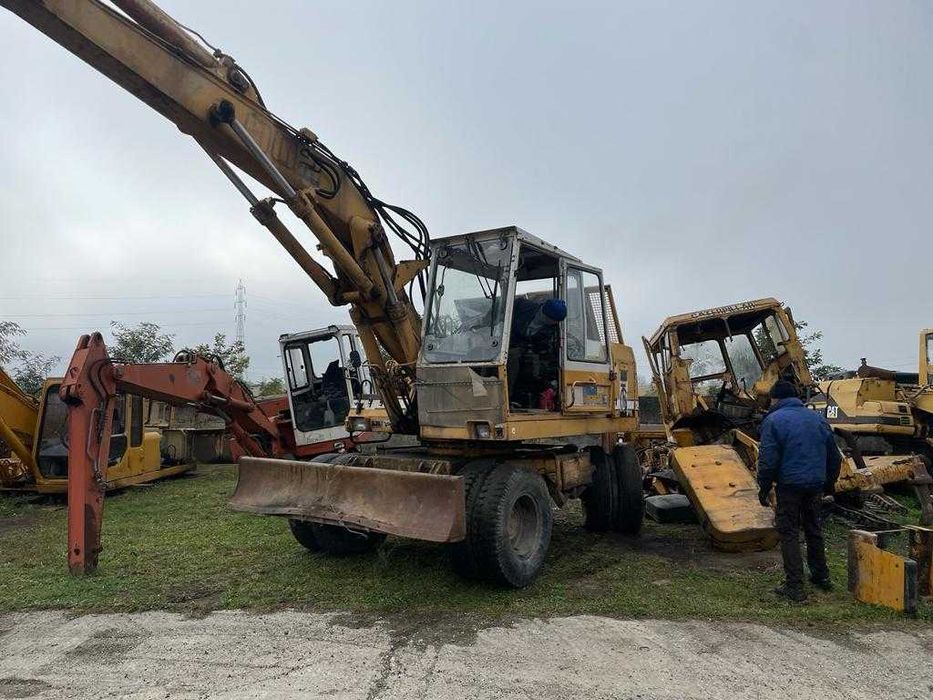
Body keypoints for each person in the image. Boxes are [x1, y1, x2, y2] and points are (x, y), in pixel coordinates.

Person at [757, 379, 841, 602]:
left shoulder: (773, 420)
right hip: (815, 484)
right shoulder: (817, 418)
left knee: (789, 531)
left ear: (775, 398)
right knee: (814, 529)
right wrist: (828, 484)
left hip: (790, 485)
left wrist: (763, 488)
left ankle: (794, 586)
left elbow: (768, 461)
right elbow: (834, 456)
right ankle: (821, 577)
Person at [507, 298, 566, 408]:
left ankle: (518, 398)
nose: (555, 323)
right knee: (512, 356)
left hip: (531, 352)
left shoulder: (553, 330)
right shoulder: (522, 306)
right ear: (545, 313)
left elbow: (549, 352)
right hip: (505, 344)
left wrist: (552, 385)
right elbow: (498, 315)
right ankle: (507, 396)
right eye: (553, 320)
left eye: (557, 322)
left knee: (535, 365)